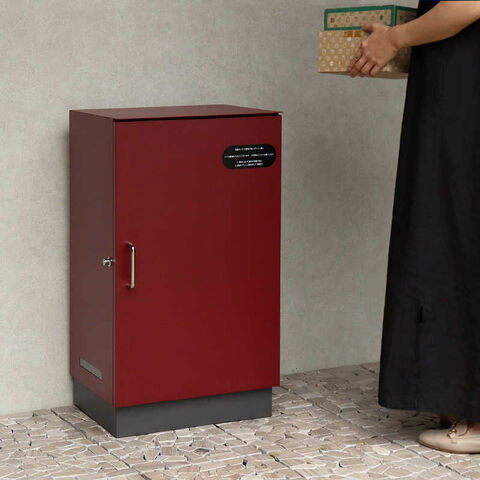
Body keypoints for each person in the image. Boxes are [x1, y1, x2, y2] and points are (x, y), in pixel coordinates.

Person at [349, 1, 480, 453]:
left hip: (466, 95)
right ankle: (457, 396)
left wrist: (395, 39)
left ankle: (477, 418)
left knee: (460, 230)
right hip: (456, 86)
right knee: (449, 230)